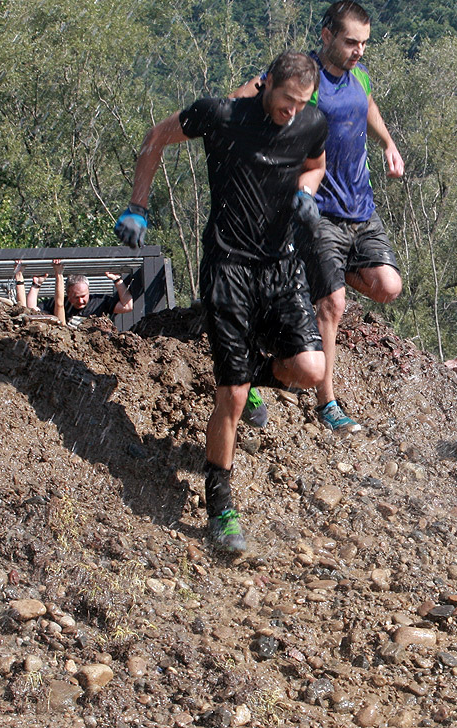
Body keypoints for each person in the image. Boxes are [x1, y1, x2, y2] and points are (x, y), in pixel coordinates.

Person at [115, 51, 328, 553]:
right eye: (285, 101)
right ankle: (221, 504)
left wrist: (307, 192)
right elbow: (155, 137)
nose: (292, 112)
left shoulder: (312, 122)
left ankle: (248, 373)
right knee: (231, 398)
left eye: (301, 104)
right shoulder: (222, 115)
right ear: (266, 83)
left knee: (311, 369)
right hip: (229, 266)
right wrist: (138, 207)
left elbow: (316, 163)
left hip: (281, 265)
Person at [233, 0, 404, 435]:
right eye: (350, 42)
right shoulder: (303, 74)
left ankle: (315, 276)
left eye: (364, 43)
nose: (358, 51)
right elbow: (255, 91)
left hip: (359, 205)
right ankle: (327, 401)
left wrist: (387, 142)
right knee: (333, 303)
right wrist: (225, 118)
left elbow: (366, 105)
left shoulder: (358, 76)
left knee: (388, 286)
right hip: (317, 208)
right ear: (326, 35)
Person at [27, 260, 133, 327]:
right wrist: (36, 285)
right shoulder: (57, 304)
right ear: (68, 294)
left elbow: (127, 306)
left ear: (88, 292)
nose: (81, 301)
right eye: (76, 297)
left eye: (83, 296)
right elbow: (31, 309)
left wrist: (118, 281)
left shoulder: (100, 302)